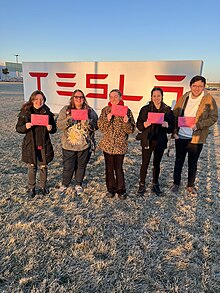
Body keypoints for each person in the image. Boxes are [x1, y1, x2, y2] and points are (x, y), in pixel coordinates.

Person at [171, 75, 218, 195]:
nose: (197, 88)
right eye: (195, 85)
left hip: (196, 137)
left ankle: (190, 185)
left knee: (193, 163)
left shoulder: (208, 99)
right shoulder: (185, 97)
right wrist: (174, 132)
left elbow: (213, 117)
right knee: (179, 161)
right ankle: (176, 183)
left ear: (204, 86)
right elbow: (175, 114)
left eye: (200, 86)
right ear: (190, 86)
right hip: (181, 136)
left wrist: (199, 125)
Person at [16, 90, 57, 198]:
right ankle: (31, 188)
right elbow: (18, 128)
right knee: (32, 167)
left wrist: (51, 128)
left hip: (44, 144)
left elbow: (54, 129)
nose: (39, 102)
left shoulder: (47, 113)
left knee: (43, 166)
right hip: (31, 144)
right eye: (36, 99)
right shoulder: (25, 113)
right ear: (32, 100)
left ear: (44, 100)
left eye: (41, 99)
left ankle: (43, 186)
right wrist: (26, 126)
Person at [57, 89, 98, 195]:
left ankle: (78, 184)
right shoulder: (66, 110)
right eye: (76, 97)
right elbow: (59, 125)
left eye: (81, 97)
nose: (79, 99)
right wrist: (69, 119)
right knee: (68, 166)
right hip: (68, 145)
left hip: (84, 145)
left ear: (84, 99)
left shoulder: (89, 111)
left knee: (81, 166)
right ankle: (65, 184)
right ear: (72, 98)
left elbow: (96, 126)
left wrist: (88, 122)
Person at [98, 89, 135, 200]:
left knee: (118, 168)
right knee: (109, 169)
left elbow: (131, 130)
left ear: (121, 98)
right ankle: (111, 189)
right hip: (107, 145)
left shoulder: (127, 111)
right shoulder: (105, 110)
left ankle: (121, 190)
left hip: (120, 146)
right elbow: (101, 127)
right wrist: (107, 119)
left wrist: (126, 122)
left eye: (116, 96)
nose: (113, 99)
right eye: (111, 97)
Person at [136, 87, 174, 196]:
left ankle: (155, 184)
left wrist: (167, 125)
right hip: (147, 140)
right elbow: (139, 125)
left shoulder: (167, 110)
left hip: (160, 141)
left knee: (156, 164)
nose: (156, 98)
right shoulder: (145, 109)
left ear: (162, 97)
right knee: (145, 163)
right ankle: (142, 183)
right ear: (151, 97)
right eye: (154, 96)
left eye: (158, 96)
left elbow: (172, 127)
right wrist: (144, 124)